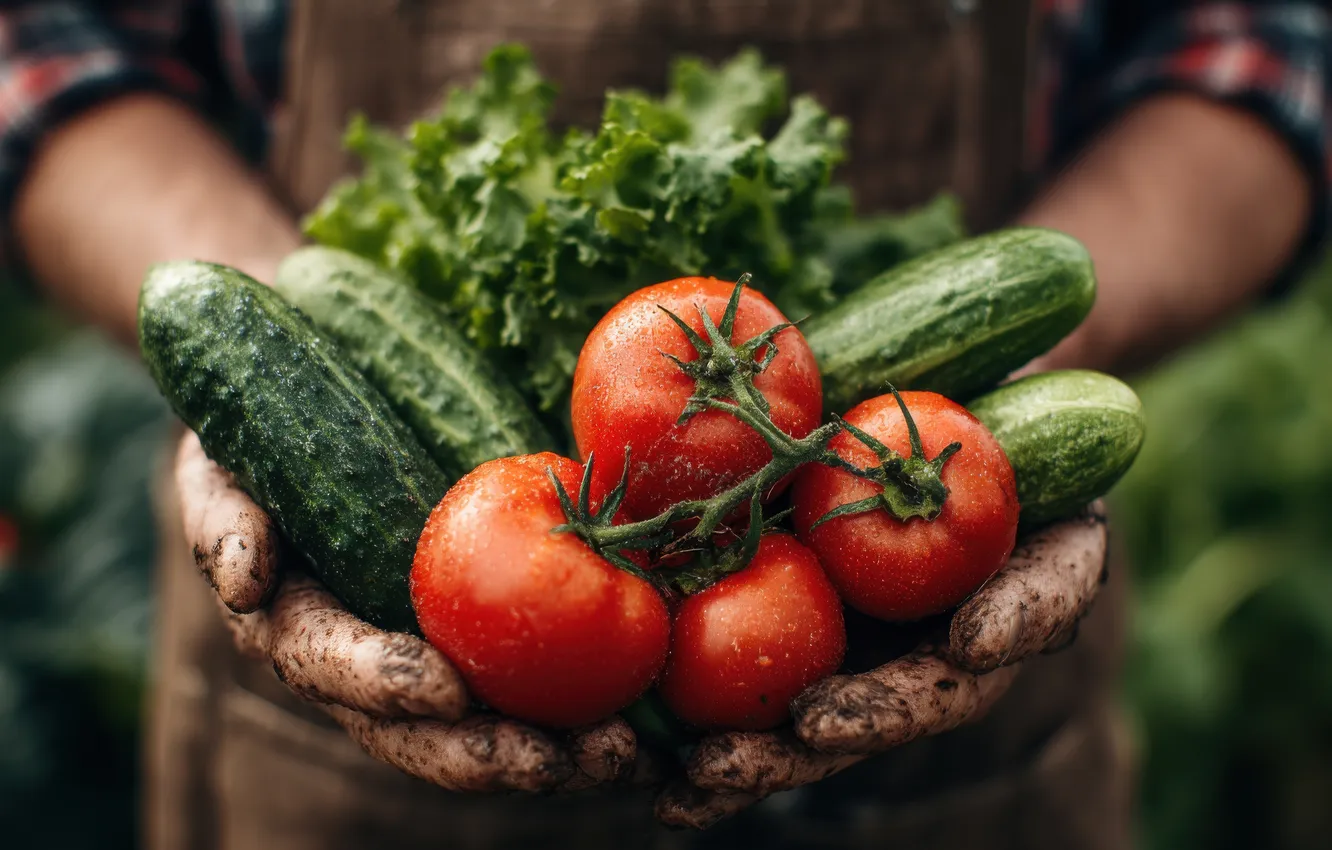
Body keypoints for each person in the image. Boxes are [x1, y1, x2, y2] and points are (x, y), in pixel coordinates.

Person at [4, 1, 1327, 848]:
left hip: (959, 772)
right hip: (326, 782)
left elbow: (1262, 42)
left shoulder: (820, 435)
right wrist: (276, 371)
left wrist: (1005, 399)